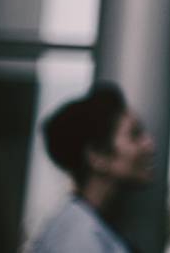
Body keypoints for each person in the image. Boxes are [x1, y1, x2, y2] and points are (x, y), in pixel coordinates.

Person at [29, 82, 155, 253]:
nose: (149, 145)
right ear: (97, 156)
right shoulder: (77, 239)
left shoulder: (90, 229)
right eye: (135, 135)